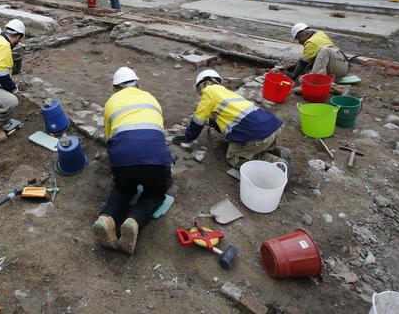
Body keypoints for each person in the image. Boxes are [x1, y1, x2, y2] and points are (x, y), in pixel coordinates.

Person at [92, 67, 173, 255]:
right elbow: (159, 133)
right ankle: (134, 220)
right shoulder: (151, 98)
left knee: (123, 188)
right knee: (155, 192)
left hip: (122, 159)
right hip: (156, 159)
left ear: (115, 87)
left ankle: (106, 218)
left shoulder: (111, 102)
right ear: (138, 83)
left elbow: (109, 138)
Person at [176, 69, 292, 174]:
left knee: (234, 157)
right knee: (257, 144)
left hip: (259, 135)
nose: (201, 94)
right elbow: (229, 117)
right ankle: (278, 151)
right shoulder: (226, 92)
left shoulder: (209, 91)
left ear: (206, 83)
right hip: (272, 125)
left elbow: (197, 121)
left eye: (200, 91)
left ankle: (275, 163)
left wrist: (188, 137)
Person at [289, 22, 350, 93]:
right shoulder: (320, 33)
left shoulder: (311, 43)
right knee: (305, 75)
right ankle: (328, 86)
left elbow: (302, 64)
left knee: (324, 50)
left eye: (298, 39)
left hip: (340, 66)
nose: (299, 42)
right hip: (339, 66)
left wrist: (292, 77)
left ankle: (313, 83)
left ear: (301, 35)